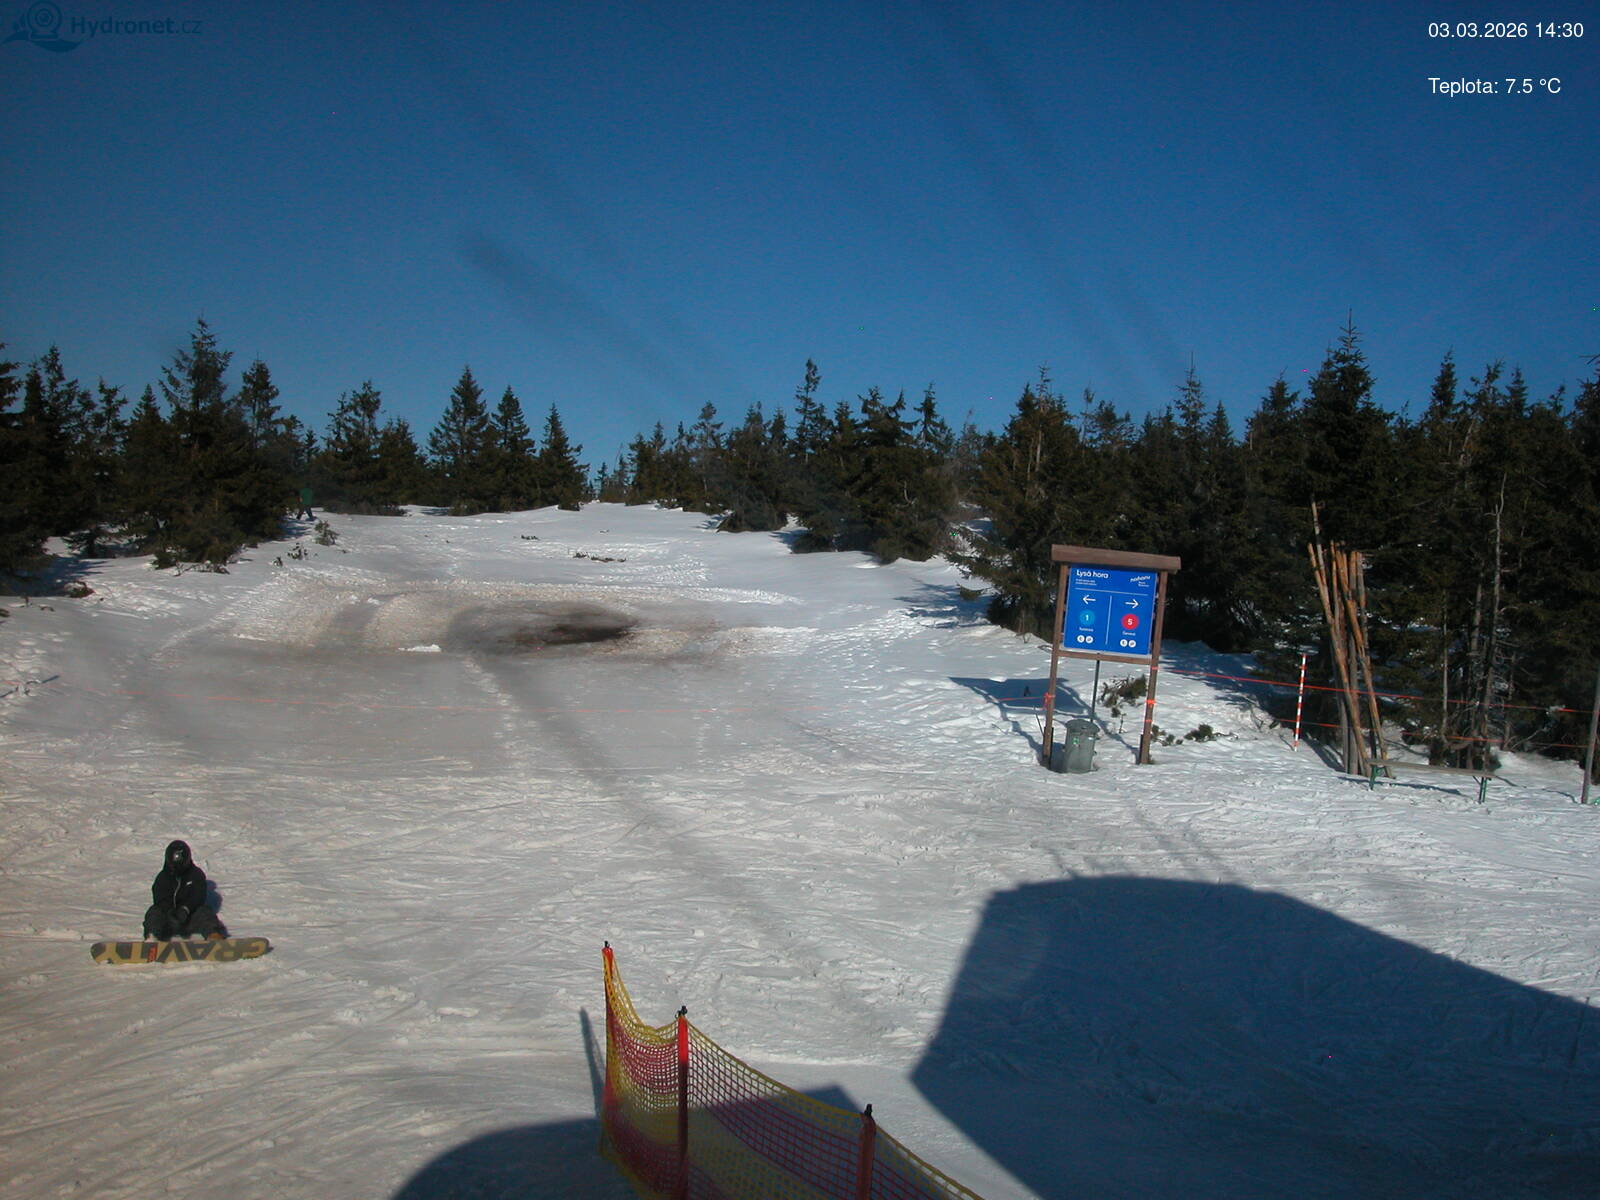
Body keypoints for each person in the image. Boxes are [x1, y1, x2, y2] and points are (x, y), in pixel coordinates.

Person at [143, 840, 227, 941]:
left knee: (204, 912)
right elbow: (159, 899)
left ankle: (213, 936)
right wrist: (171, 912)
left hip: (190, 917)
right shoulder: (162, 878)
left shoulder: (196, 875)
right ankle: (152, 938)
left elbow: (198, 896)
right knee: (154, 912)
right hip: (168, 920)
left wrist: (185, 909)